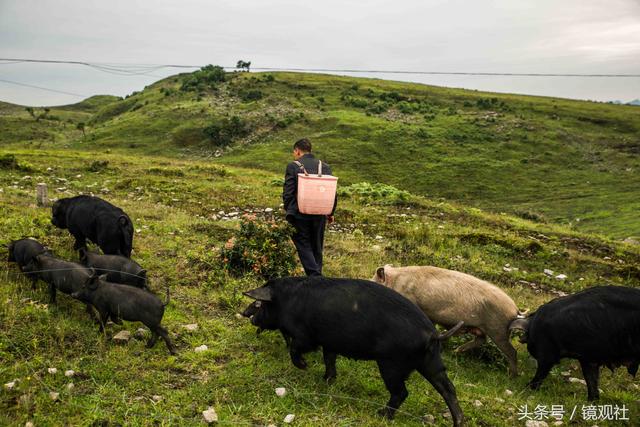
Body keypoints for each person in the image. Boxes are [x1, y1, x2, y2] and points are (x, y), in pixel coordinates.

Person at [283, 138, 336, 276]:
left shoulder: (293, 166)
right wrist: (330, 212)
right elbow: (332, 192)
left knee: (303, 244)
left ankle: (315, 276)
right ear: (310, 150)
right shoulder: (324, 166)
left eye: (294, 152)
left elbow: (288, 193)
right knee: (316, 246)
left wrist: (290, 210)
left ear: (297, 151)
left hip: (299, 214)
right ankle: (316, 275)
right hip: (320, 213)